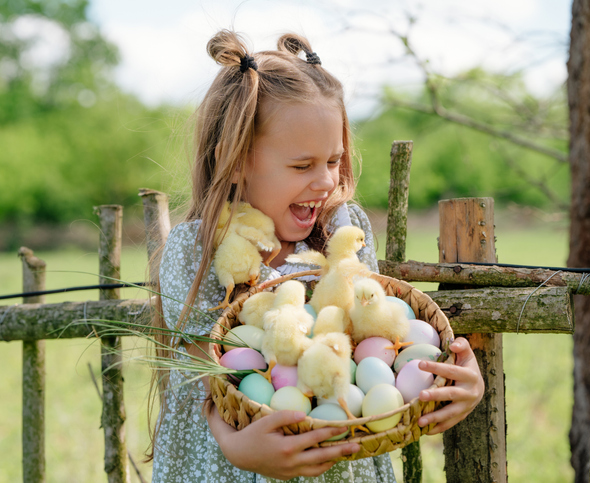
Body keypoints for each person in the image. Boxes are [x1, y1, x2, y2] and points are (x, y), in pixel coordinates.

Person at [146, 29, 484, 482]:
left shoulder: (344, 229)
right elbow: (211, 380)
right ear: (237, 160)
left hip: (342, 459)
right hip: (234, 466)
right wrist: (238, 448)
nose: (326, 182)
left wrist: (455, 377)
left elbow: (377, 347)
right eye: (302, 166)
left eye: (333, 161)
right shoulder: (199, 250)